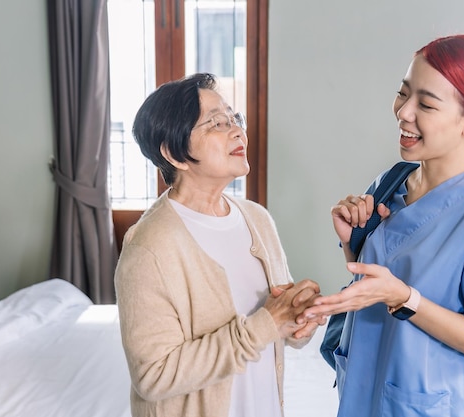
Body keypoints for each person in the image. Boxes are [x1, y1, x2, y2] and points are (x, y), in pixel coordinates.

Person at [301, 34, 464, 416]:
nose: (404, 112)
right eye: (403, 93)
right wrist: (352, 243)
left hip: (431, 404)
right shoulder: (390, 182)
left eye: (426, 104)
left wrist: (404, 298)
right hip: (366, 390)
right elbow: (376, 277)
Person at [114, 73, 323, 417]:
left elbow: (275, 328)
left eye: (233, 118)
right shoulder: (148, 247)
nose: (237, 131)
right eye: (215, 124)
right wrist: (266, 325)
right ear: (174, 153)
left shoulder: (257, 219)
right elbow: (153, 376)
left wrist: (299, 319)